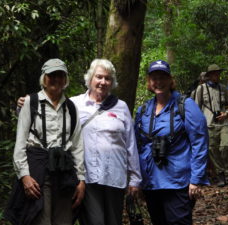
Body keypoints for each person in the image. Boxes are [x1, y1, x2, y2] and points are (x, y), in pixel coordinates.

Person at [17, 59, 142, 225]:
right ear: (90, 79)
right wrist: (22, 105)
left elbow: (130, 145)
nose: (103, 82)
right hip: (86, 176)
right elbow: (43, 110)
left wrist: (135, 178)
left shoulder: (120, 107)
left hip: (114, 176)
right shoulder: (76, 103)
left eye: (107, 78)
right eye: (99, 77)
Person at [5, 59, 85, 225]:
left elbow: (77, 146)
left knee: (64, 220)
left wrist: (81, 180)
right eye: (52, 75)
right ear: (44, 78)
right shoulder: (31, 102)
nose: (56, 79)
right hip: (38, 170)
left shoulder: (71, 107)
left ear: (66, 79)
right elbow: (20, 142)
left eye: (60, 75)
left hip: (64, 171)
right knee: (40, 218)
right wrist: (24, 175)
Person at [135, 60, 209, 225]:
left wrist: (196, 179)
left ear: (170, 80)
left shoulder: (185, 105)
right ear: (149, 81)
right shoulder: (144, 110)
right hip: (151, 182)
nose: (159, 82)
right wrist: (137, 180)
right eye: (154, 78)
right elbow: (138, 145)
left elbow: (199, 142)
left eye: (163, 77)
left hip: (178, 182)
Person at [192, 64, 228, 187]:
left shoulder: (224, 89)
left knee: (227, 145)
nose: (217, 75)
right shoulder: (201, 89)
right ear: (209, 75)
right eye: (214, 73)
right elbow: (196, 108)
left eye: (218, 73)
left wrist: (226, 113)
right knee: (213, 149)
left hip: (224, 122)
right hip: (208, 123)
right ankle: (221, 174)